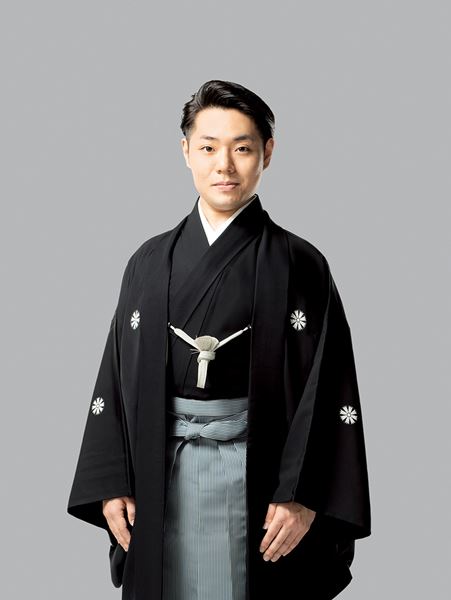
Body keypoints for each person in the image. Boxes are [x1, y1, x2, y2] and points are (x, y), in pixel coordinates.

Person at [67, 79, 371, 600]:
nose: (224, 165)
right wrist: (111, 480)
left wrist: (301, 494)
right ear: (186, 151)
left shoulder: (300, 263)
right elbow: (114, 378)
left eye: (242, 148)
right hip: (161, 474)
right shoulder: (148, 262)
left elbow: (330, 388)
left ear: (267, 153)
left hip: (260, 480)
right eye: (208, 148)